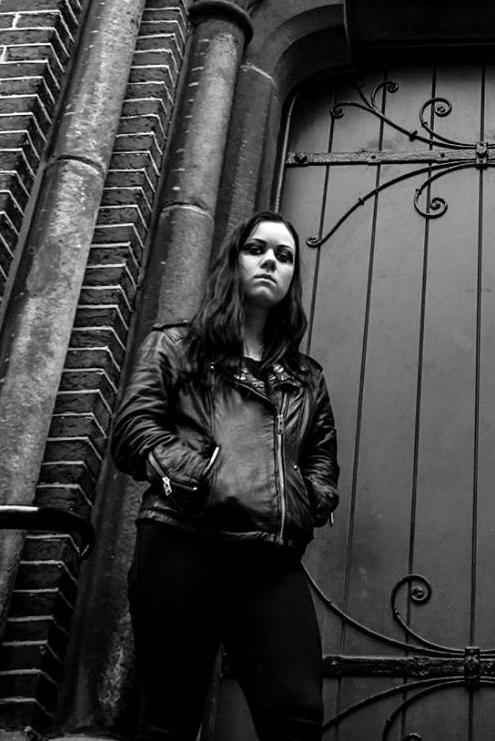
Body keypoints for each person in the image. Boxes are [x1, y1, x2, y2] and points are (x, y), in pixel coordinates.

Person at [111, 211, 339, 741]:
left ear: (292, 278)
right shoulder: (176, 346)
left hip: (269, 558)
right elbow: (134, 429)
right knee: (169, 719)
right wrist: (204, 478)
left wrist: (310, 496)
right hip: (183, 541)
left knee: (297, 712)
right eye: (256, 249)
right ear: (233, 261)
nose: (270, 262)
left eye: (284, 256)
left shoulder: (306, 377)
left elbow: (321, 456)